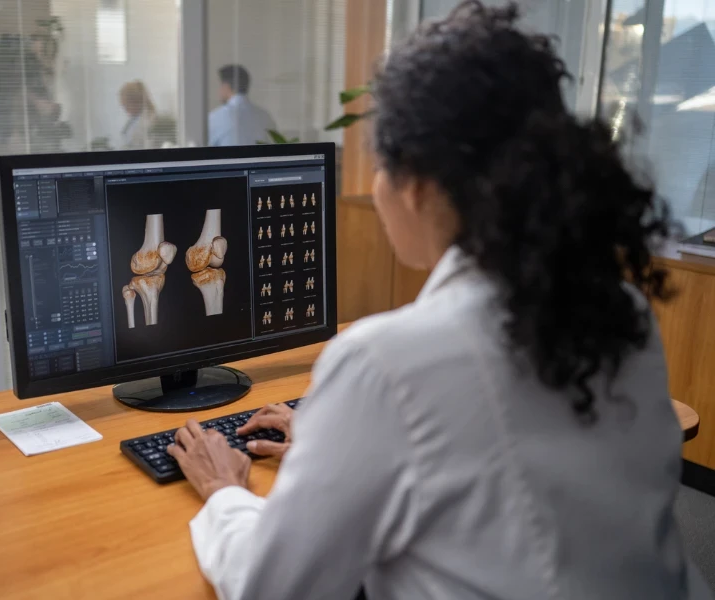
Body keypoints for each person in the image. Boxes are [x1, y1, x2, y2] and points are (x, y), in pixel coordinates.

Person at [166, 3, 713, 599]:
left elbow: (270, 587)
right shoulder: (620, 311)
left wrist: (225, 492)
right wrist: (345, 449)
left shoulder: (385, 363)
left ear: (418, 185)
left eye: (378, 164)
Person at [208, 65, 276, 146]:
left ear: (226, 86)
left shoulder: (216, 117)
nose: (219, 91)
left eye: (220, 86)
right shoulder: (265, 116)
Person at [119, 81, 157, 150]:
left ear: (136, 101)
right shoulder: (133, 119)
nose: (125, 109)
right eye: (124, 106)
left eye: (126, 105)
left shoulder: (149, 120)